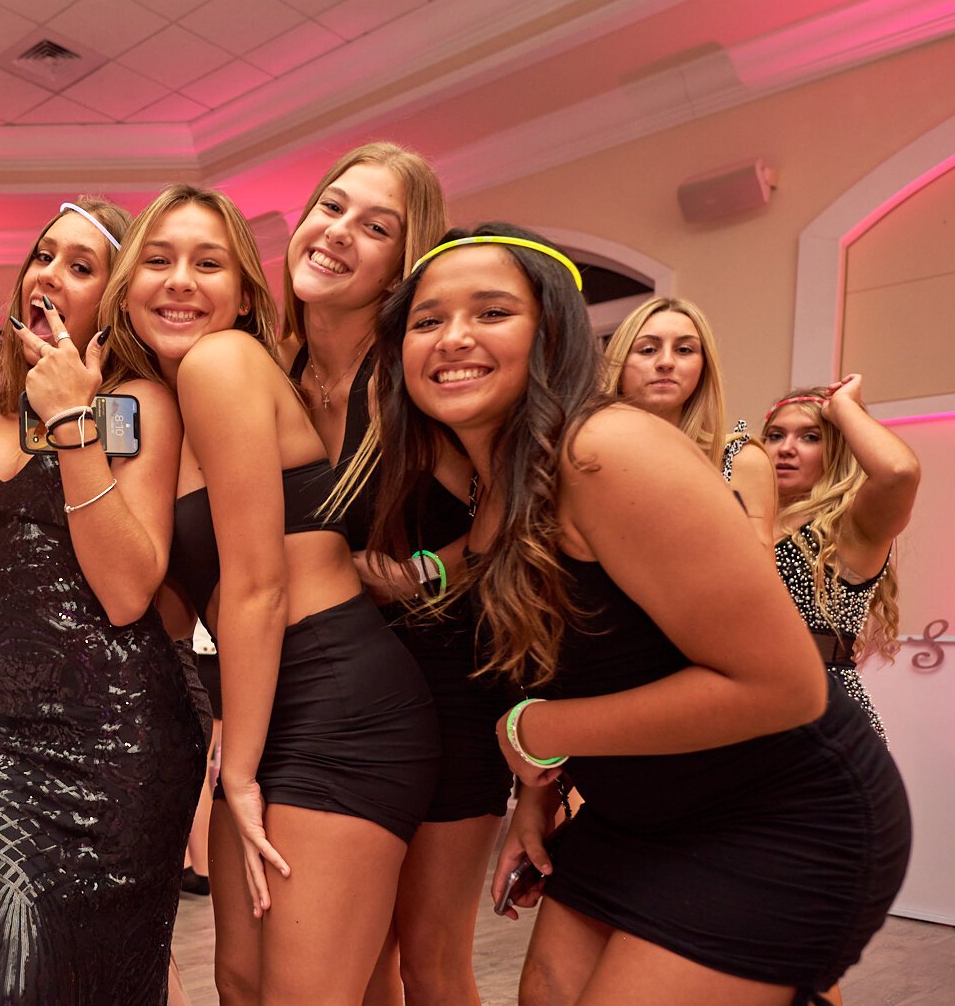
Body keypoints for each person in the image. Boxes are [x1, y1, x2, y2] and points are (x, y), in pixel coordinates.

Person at [345, 223, 909, 1005]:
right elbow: (578, 655)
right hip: (635, 814)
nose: (454, 337)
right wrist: (540, 798)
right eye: (427, 320)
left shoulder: (605, 450)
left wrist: (534, 732)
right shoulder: (504, 486)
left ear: (551, 335)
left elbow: (785, 687)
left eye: (492, 312)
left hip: (776, 811)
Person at [98, 185, 438, 1006]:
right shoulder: (154, 404)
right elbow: (160, 598)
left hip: (338, 702)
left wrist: (238, 773)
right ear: (127, 285)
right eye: (158, 260)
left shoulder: (222, 363)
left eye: (208, 264)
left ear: (246, 295)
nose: (180, 281)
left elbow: (257, 587)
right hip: (266, 703)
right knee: (242, 984)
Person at [0, 198, 205, 1003]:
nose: (48, 276)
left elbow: (126, 592)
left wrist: (74, 417)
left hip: (127, 733)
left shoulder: (139, 405)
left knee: (115, 980)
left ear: (112, 300)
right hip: (2, 737)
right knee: (11, 976)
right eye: (43, 256)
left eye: (80, 267)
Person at [277, 140, 502, 1006]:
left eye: (376, 227)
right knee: (360, 963)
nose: (339, 232)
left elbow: (522, 502)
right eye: (331, 207)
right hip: (329, 697)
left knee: (430, 962)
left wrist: (428, 572)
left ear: (403, 267)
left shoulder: (415, 375)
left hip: (443, 685)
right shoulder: (274, 370)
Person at [762, 380, 919, 741]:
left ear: (839, 448)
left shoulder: (851, 525)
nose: (786, 448)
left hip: (824, 716)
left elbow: (899, 472)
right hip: (742, 703)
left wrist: (844, 406)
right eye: (775, 436)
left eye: (810, 437)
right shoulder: (741, 519)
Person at [602, 297, 776, 541]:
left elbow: (758, 563)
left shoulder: (738, 459)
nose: (666, 362)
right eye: (648, 350)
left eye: (684, 350)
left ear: (704, 368)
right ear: (619, 364)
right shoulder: (587, 458)